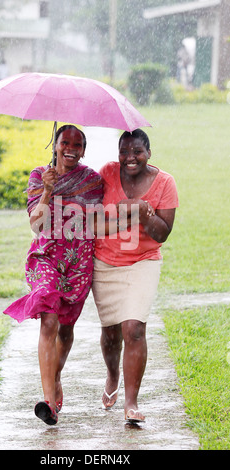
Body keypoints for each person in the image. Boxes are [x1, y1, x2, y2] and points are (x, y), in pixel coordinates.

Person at [4, 125, 103, 425]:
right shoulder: (39, 176)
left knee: (66, 328)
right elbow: (35, 224)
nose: (70, 148)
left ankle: (56, 376)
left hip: (79, 260)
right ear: (55, 145)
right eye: (65, 142)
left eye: (77, 143)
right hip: (46, 256)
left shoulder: (92, 181)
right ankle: (49, 402)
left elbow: (98, 222)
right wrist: (48, 190)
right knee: (48, 318)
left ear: (84, 149)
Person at [92, 129, 179, 424]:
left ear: (149, 153)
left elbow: (162, 233)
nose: (130, 158)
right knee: (111, 332)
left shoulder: (165, 183)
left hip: (143, 260)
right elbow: (94, 212)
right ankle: (113, 373)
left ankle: (131, 402)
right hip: (105, 261)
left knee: (134, 328)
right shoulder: (106, 173)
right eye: (124, 152)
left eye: (137, 152)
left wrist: (144, 213)